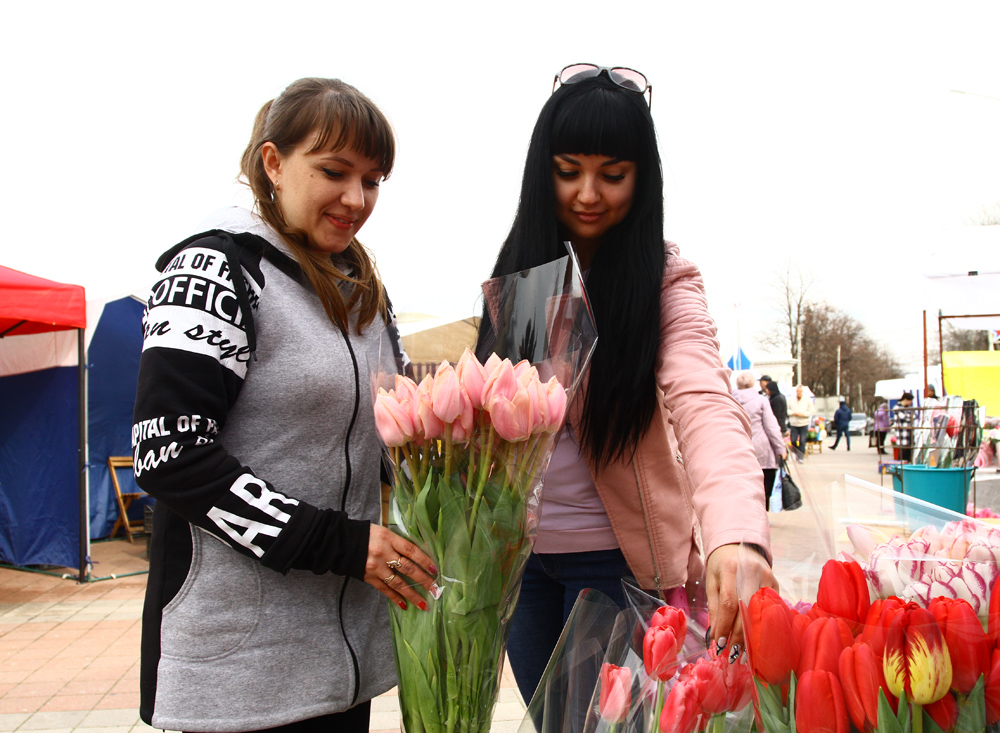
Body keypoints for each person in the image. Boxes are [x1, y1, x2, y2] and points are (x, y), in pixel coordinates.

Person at [131, 78, 438, 733]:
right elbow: (169, 453)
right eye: (334, 171)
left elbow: (391, 435)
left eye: (374, 180)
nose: (356, 198)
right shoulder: (215, 268)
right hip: (240, 668)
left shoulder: (362, 288)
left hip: (345, 662)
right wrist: (343, 544)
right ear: (273, 162)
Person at [475, 64, 775, 703]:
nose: (588, 193)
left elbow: (703, 401)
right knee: (550, 720)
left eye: (612, 175)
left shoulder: (663, 279)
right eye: (568, 171)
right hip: (523, 568)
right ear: (541, 173)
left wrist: (736, 536)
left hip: (615, 566)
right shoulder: (525, 276)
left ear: (642, 180)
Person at [733, 373, 788, 509]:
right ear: (753, 384)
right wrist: (781, 448)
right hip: (761, 449)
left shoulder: (730, 401)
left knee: (743, 486)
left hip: (738, 447)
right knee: (764, 486)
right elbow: (771, 427)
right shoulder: (761, 400)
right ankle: (762, 514)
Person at [787, 385, 813, 460]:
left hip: (803, 423)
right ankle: (797, 452)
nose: (798, 393)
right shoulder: (791, 400)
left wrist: (804, 414)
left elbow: (811, 411)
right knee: (793, 440)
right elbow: (787, 410)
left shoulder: (807, 400)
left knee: (802, 440)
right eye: (797, 391)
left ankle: (801, 456)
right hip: (794, 423)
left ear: (802, 392)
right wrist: (793, 413)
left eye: (800, 391)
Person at [894, 392, 916, 462]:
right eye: (910, 400)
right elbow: (904, 418)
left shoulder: (909, 408)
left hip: (910, 434)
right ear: (906, 399)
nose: (911, 402)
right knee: (902, 454)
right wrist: (909, 417)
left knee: (909, 454)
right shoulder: (897, 408)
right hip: (902, 435)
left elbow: (915, 416)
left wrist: (909, 417)